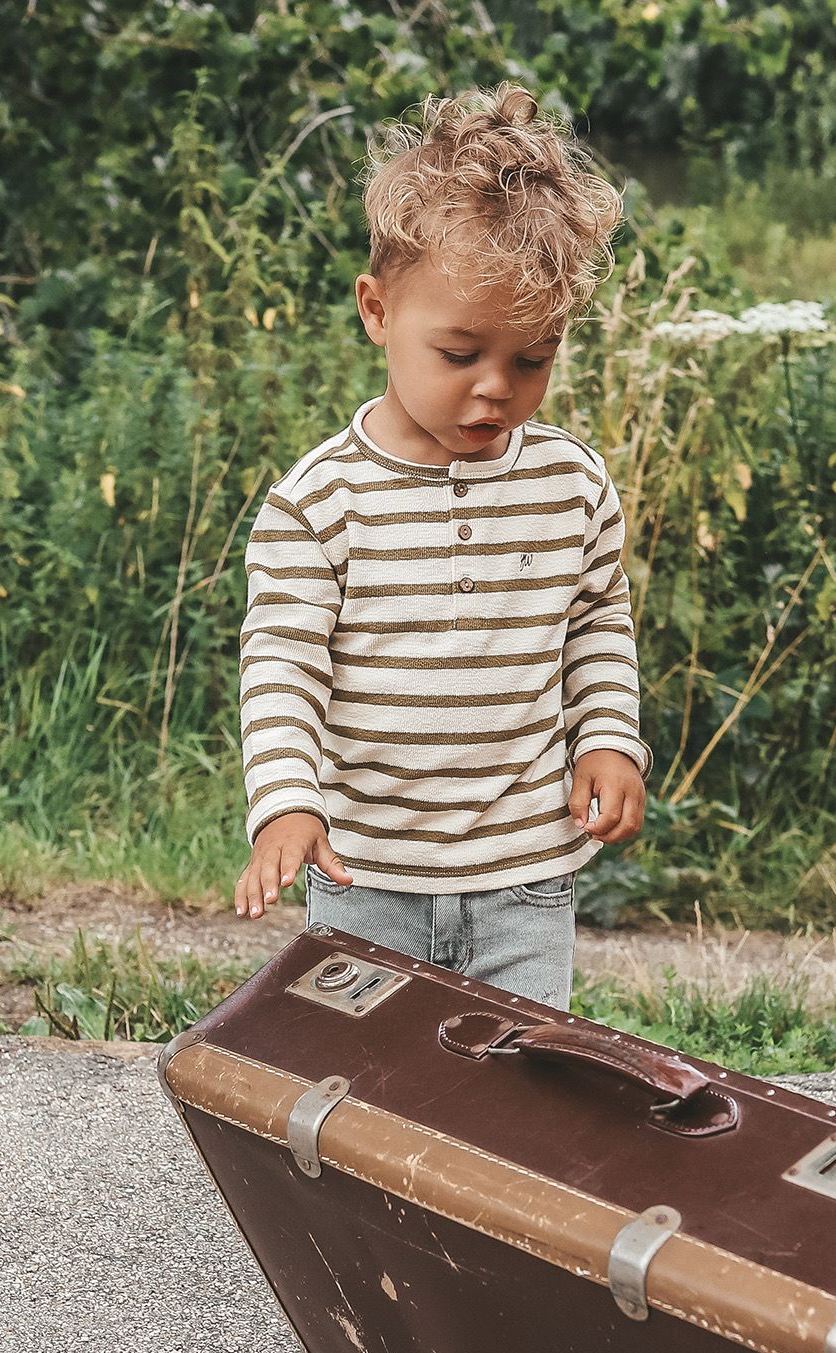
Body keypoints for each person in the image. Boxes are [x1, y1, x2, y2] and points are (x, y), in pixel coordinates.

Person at [231, 82, 651, 1010]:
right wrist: (287, 801)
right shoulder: (318, 502)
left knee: (516, 1088)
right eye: (459, 355)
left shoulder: (570, 484)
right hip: (365, 877)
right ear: (377, 311)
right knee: (361, 1089)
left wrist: (610, 737)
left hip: (526, 877)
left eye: (531, 358)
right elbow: (281, 664)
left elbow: (595, 621)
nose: (496, 389)